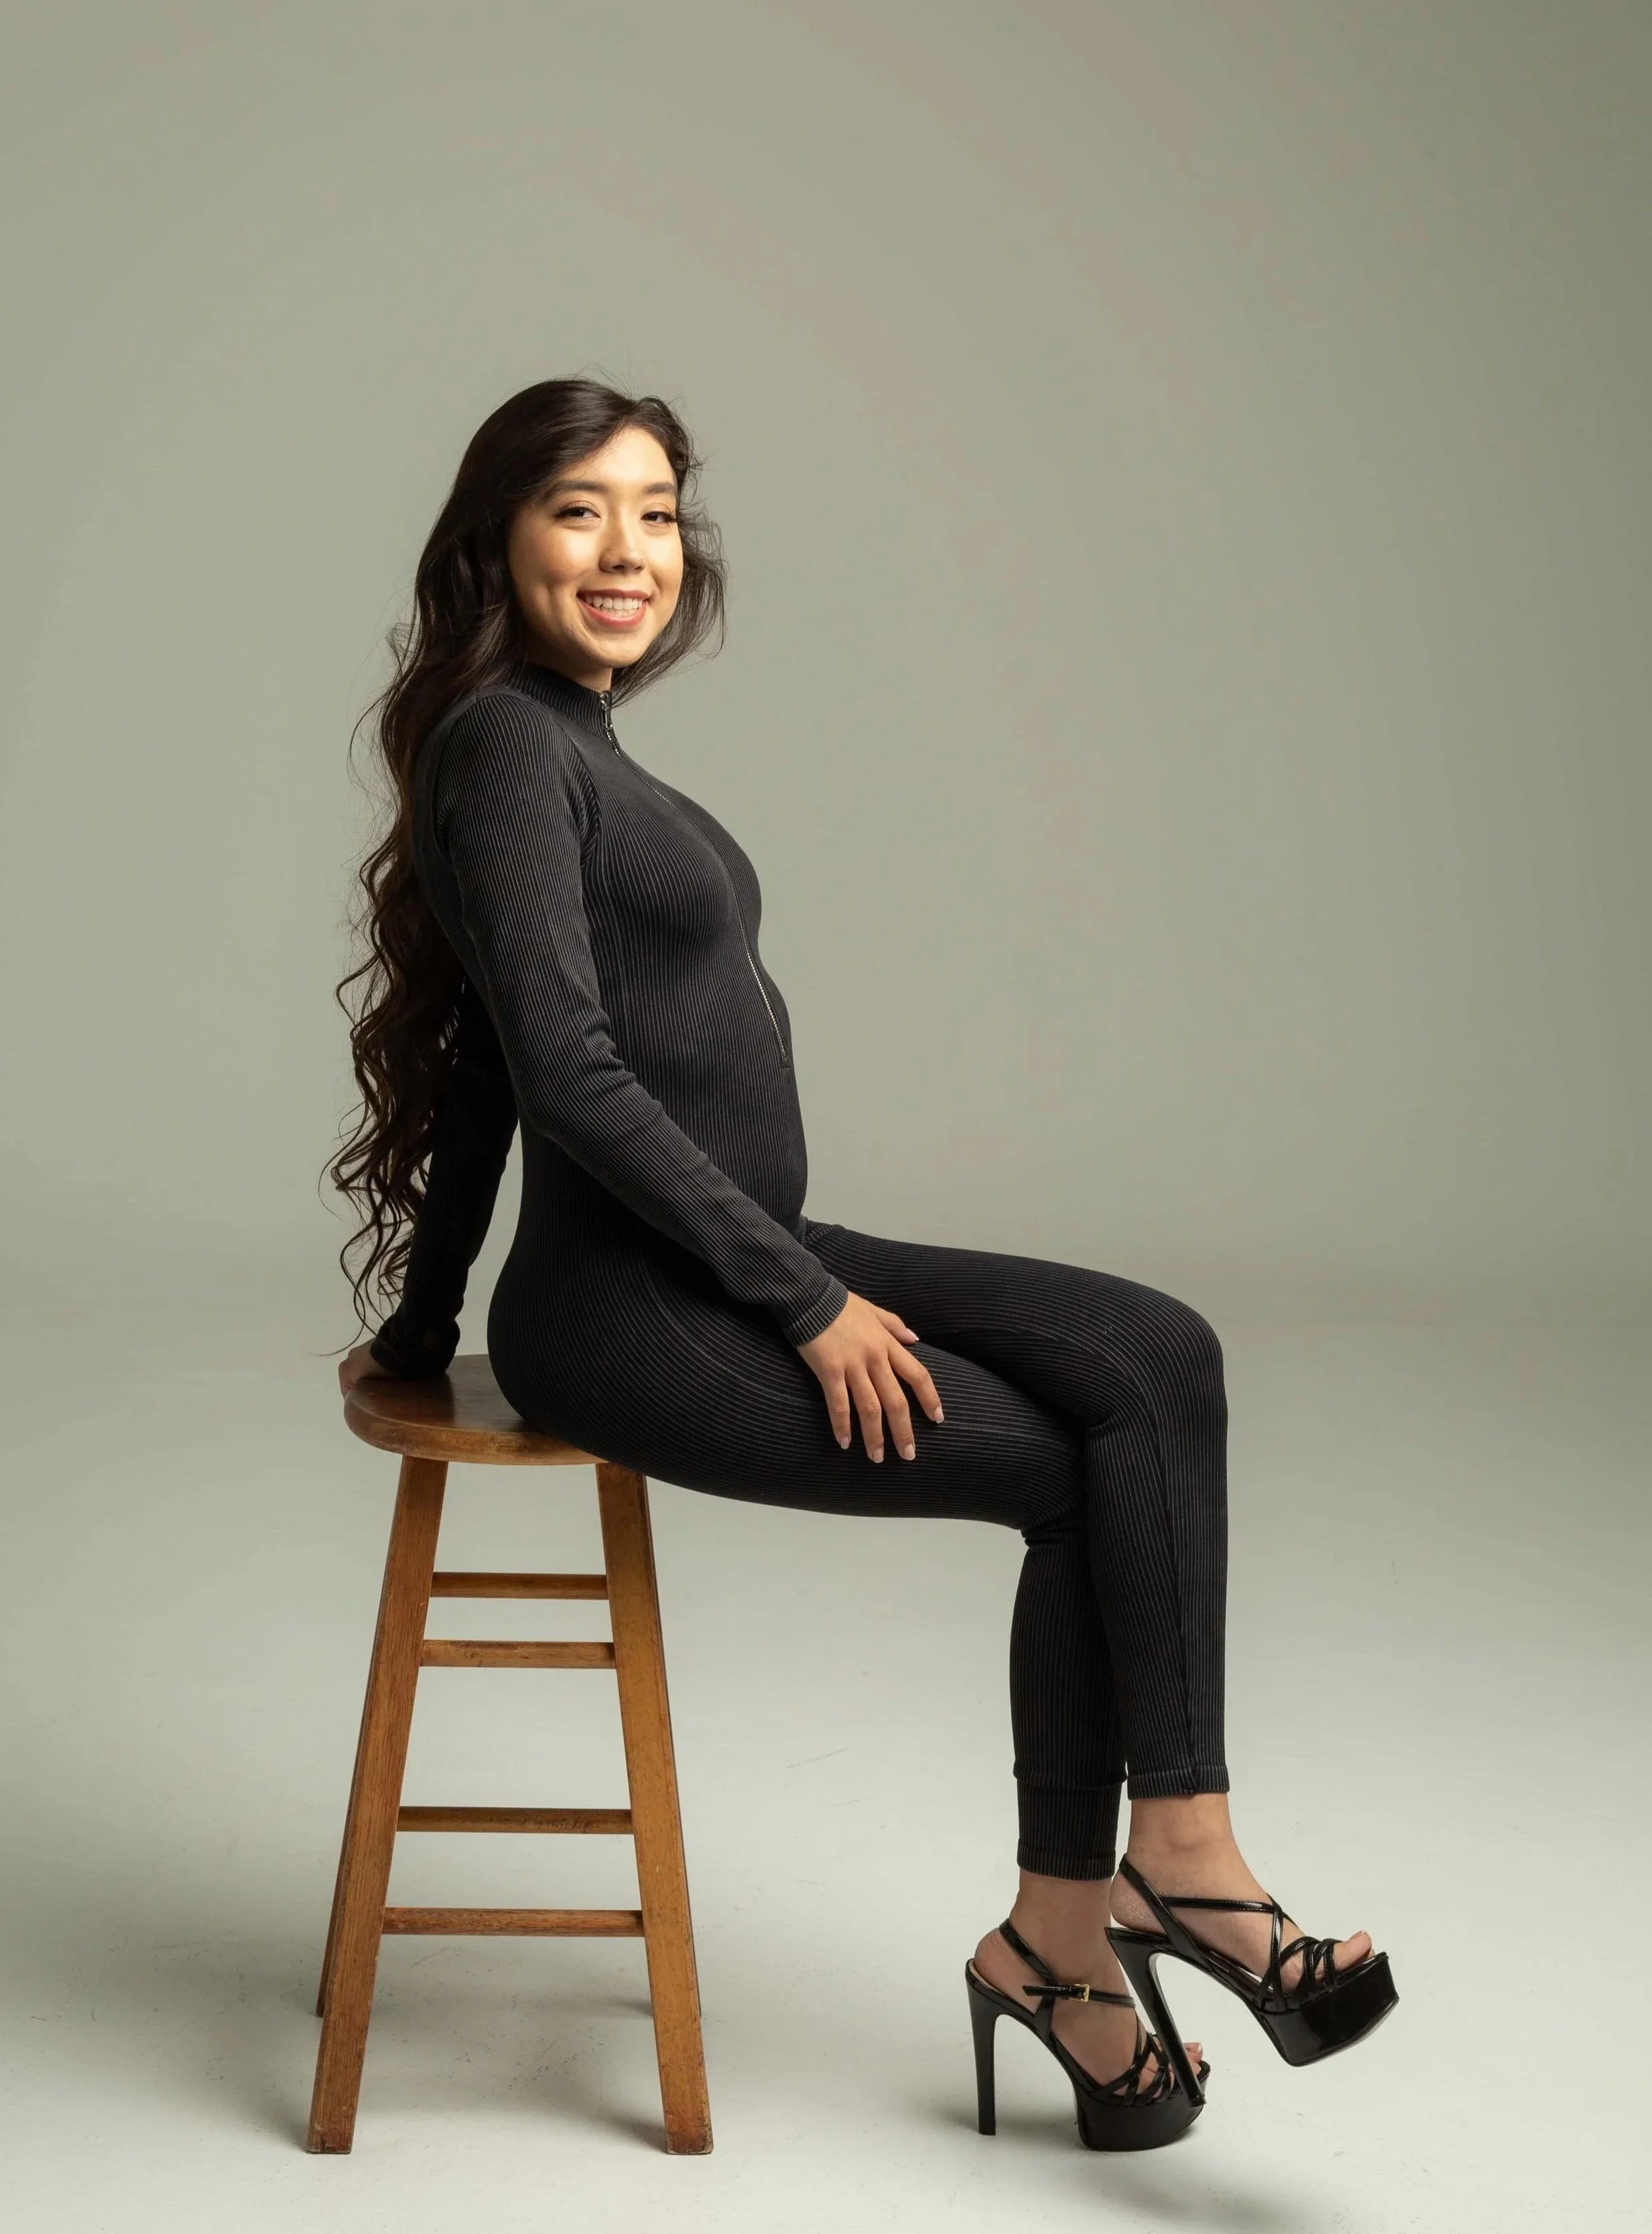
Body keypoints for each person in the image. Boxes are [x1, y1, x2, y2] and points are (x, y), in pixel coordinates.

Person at [329, 377, 1395, 2152]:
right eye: (580, 509)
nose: (628, 549)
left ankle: (1139, 1877)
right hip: (633, 1310)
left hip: (739, 1258)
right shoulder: (508, 746)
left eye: (656, 511)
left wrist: (429, 1310)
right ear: (495, 542)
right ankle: (1107, 1918)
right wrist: (803, 1304)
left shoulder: (577, 747)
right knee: (1073, 1468)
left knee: (1157, 1353)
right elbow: (558, 1075)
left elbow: (473, 1066)